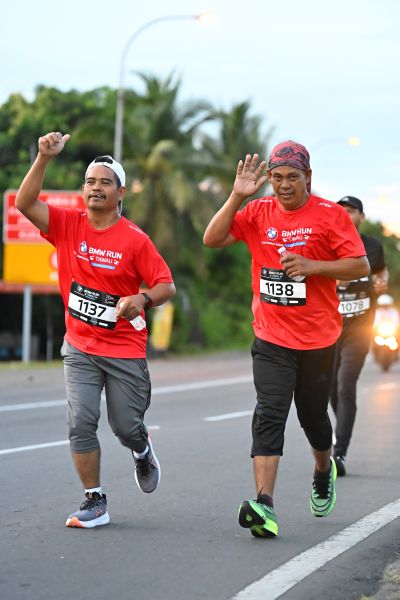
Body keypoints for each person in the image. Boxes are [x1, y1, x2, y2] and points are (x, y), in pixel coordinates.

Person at [203, 141, 370, 538]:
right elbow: (212, 238)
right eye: (277, 178)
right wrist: (237, 196)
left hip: (318, 338)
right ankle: (264, 504)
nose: (284, 185)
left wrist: (314, 266)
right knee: (269, 412)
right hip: (271, 335)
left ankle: (323, 469)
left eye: (292, 177)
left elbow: (359, 265)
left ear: (307, 177)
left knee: (313, 417)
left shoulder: (330, 215)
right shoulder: (258, 212)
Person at [15, 132, 176, 528]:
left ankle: (142, 449)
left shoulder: (135, 240)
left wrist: (142, 299)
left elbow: (166, 285)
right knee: (81, 422)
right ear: (83, 190)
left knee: (125, 427)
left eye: (105, 182)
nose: (96, 188)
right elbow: (24, 203)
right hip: (80, 347)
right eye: (90, 182)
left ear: (120, 193)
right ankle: (94, 499)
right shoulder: (67, 225)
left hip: (123, 349)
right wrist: (43, 157)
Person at [330, 196, 388, 476]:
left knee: (346, 385)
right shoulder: (325, 243)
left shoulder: (372, 246)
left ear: (361, 216)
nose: (345, 215)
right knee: (330, 389)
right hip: (329, 327)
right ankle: (343, 427)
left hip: (360, 328)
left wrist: (381, 280)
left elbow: (377, 271)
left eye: (351, 211)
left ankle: (339, 453)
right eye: (340, 210)